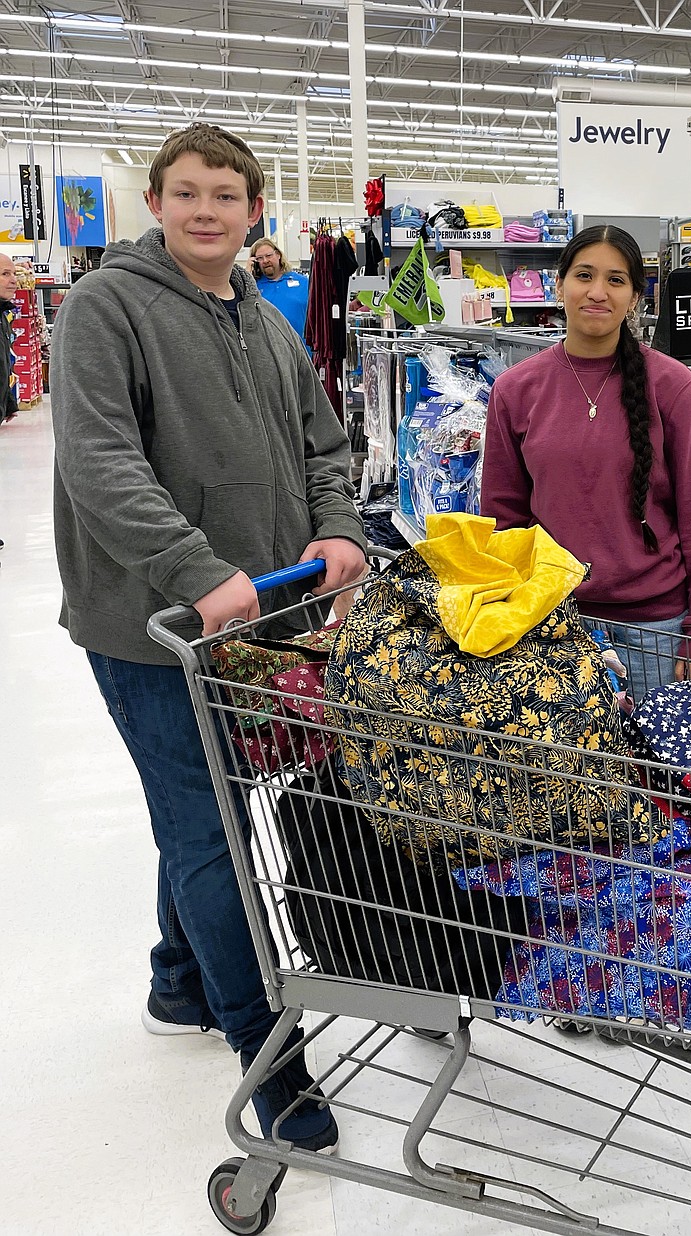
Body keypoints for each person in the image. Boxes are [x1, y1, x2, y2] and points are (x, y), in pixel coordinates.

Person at [51, 123, 367, 1154]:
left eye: (225, 196)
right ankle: (270, 1060)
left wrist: (337, 529)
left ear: (254, 212)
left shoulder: (267, 320)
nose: (205, 211)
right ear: (155, 201)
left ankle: (178, 983)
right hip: (155, 632)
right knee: (210, 833)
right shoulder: (108, 308)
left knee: (213, 812)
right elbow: (99, 462)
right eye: (187, 192)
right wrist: (198, 573)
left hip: (261, 624)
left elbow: (325, 444)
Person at [480, 223, 691, 699]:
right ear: (560, 283)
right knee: (568, 772)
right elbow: (504, 520)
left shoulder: (673, 387)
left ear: (635, 297)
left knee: (655, 775)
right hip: (555, 628)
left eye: (616, 280)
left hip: (660, 635)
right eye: (584, 275)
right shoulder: (515, 391)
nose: (598, 292)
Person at [249, 237, 310, 346]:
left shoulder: (304, 283)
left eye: (269, 255)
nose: (265, 261)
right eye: (260, 258)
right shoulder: (253, 288)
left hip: (302, 350)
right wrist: (247, 274)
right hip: (269, 353)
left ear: (278, 255)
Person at [1, 251, 18, 430]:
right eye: (5, 274)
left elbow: (2, 364)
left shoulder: (3, 317)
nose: (13, 280)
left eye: (14, 274)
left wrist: (8, 401)